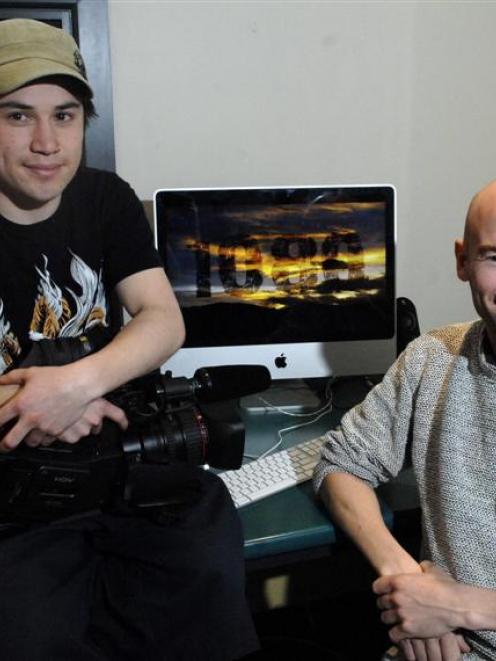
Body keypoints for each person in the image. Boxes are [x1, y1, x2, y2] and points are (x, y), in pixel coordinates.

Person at [0, 18, 258, 661]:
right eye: (15, 116)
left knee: (207, 577)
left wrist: (75, 383)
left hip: (120, 469)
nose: (44, 143)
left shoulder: (104, 199)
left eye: (64, 116)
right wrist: (43, 405)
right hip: (17, 501)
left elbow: (162, 319)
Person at [313, 180, 496, 661]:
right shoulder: (433, 359)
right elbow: (341, 462)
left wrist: (462, 606)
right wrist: (408, 585)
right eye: (494, 258)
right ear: (462, 260)